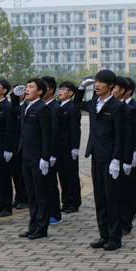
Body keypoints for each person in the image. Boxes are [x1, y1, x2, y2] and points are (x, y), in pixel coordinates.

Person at [75, 70, 126, 251]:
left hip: (110, 158)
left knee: (112, 198)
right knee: (100, 197)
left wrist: (117, 159)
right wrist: (81, 87)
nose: (97, 85)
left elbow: (121, 136)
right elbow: (76, 102)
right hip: (96, 155)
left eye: (101, 82)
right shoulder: (94, 102)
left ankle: (115, 237)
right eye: (96, 82)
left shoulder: (117, 106)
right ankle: (104, 235)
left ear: (110, 85)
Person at [15, 79, 52, 239]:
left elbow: (47, 135)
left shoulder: (42, 108)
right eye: (27, 87)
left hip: (37, 157)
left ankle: (41, 228)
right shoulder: (25, 106)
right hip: (25, 156)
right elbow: (12, 111)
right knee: (31, 193)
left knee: (40, 193)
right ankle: (33, 225)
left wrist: (45, 157)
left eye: (31, 87)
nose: (27, 89)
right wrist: (14, 97)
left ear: (40, 92)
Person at [112, 76, 136, 236]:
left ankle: (126, 222)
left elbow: (132, 136)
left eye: (114, 87)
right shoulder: (111, 107)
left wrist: (132, 156)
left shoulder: (131, 109)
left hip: (125, 155)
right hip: (112, 154)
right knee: (115, 191)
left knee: (126, 189)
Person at [56, 81, 82, 214]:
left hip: (68, 147)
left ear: (71, 93)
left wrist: (75, 147)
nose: (60, 92)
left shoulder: (72, 108)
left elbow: (75, 129)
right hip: (59, 147)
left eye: (64, 89)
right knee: (62, 176)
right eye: (59, 89)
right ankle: (65, 201)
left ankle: (74, 202)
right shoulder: (59, 106)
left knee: (71, 175)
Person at [0, 79, 16, 218]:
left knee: (4, 177)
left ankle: (6, 206)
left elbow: (10, 129)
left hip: (3, 145)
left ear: (4, 91)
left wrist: (8, 148)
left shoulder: (7, 107)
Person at [41, 76, 63, 224]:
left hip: (52, 152)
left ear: (50, 90)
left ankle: (55, 213)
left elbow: (55, 133)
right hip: (42, 150)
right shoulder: (41, 106)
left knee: (50, 184)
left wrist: (52, 154)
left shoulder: (55, 108)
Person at [124, 77, 136, 226]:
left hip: (131, 150)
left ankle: (132, 211)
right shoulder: (116, 105)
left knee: (131, 181)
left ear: (128, 91)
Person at [10, 86, 28, 210]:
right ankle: (18, 196)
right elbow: (14, 108)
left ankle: (24, 198)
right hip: (15, 143)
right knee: (15, 173)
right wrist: (14, 96)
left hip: (24, 144)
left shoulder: (27, 106)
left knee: (22, 174)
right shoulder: (18, 107)